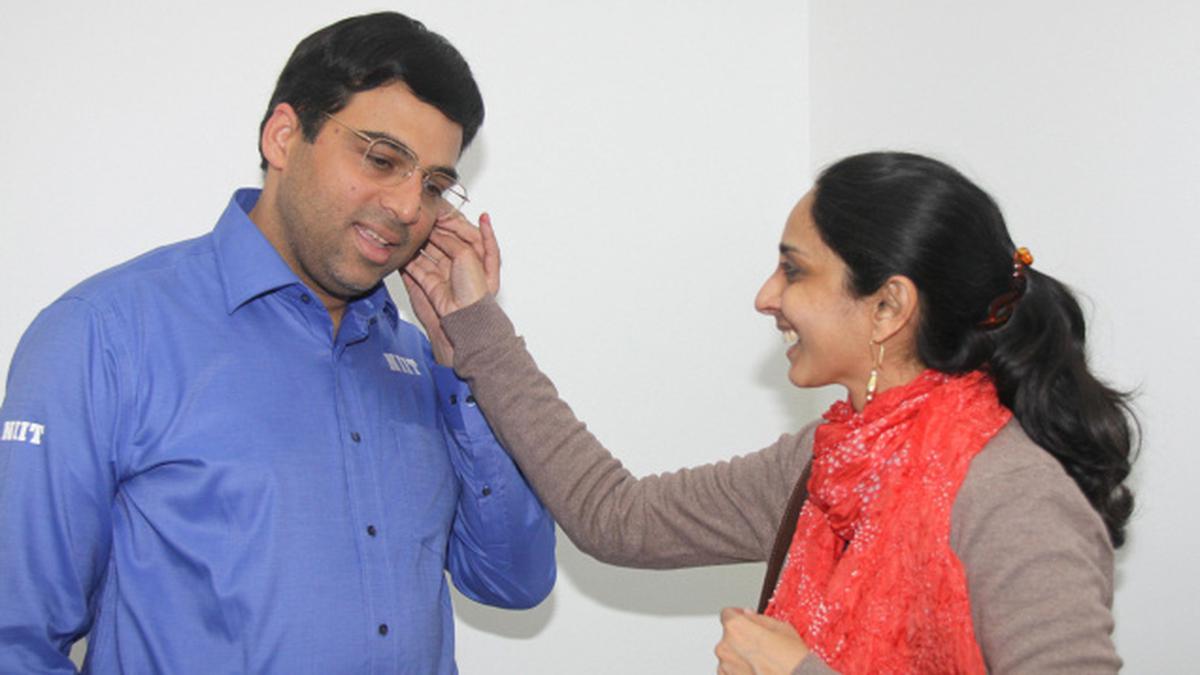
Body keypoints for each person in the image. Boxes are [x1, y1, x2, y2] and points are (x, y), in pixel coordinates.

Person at [404, 151, 1136, 674]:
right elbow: (615, 515)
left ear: (888, 306)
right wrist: (476, 323)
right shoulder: (827, 464)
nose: (765, 296)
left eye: (794, 269)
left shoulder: (1013, 493)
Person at [0, 12, 555, 674]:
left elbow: (515, 581)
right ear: (285, 136)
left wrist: (472, 361)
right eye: (382, 159)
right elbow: (16, 637)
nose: (410, 207)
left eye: (434, 184)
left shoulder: (423, 362)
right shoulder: (105, 333)